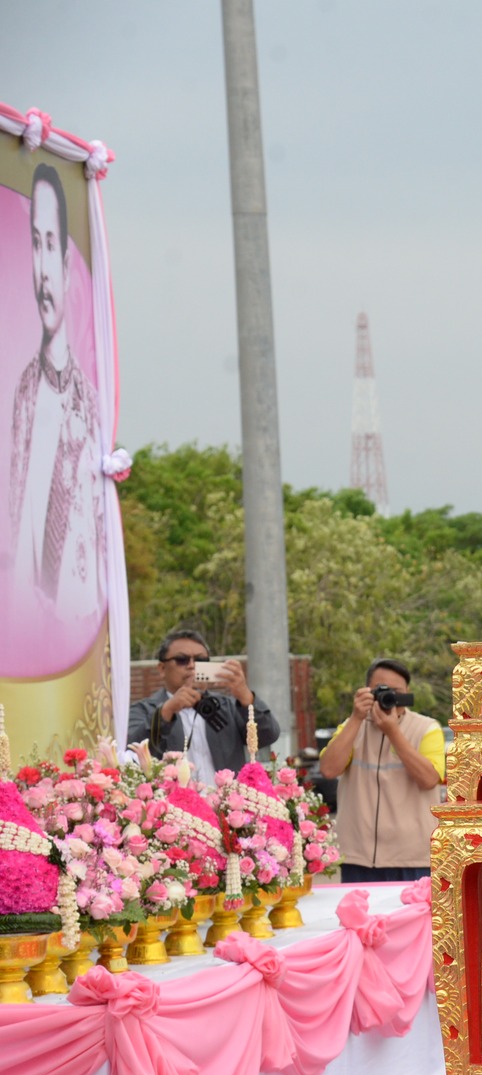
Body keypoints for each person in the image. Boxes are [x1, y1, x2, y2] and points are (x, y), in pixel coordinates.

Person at [7, 162, 103, 654]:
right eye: (34, 244)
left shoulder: (88, 401)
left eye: (51, 245)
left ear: (67, 266)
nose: (43, 269)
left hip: (72, 638)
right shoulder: (24, 391)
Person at [318, 658, 445, 883]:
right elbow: (328, 769)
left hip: (412, 857)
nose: (389, 697)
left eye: (396, 692)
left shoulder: (426, 729)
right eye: (380, 690)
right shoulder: (352, 727)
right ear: (366, 692)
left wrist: (393, 732)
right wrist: (356, 718)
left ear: (407, 693)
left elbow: (429, 779)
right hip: (358, 855)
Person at [126, 629, 280, 781]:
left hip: (226, 796)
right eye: (182, 660)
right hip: (172, 797)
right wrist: (166, 712)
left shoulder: (227, 706)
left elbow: (267, 736)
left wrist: (246, 697)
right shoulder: (143, 710)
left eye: (200, 660)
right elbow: (132, 753)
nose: (192, 665)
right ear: (162, 668)